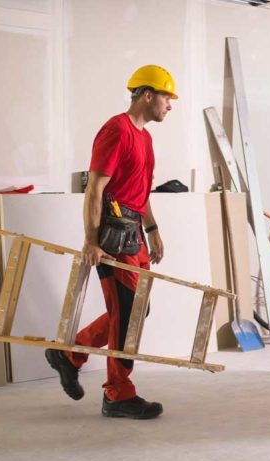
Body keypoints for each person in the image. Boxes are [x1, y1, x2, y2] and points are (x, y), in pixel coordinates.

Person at [44, 65, 176, 420]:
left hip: (136, 234)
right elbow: (95, 189)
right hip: (114, 235)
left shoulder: (145, 139)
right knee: (126, 314)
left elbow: (140, 193)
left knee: (136, 310)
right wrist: (90, 240)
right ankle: (118, 394)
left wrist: (153, 229)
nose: (170, 105)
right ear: (147, 95)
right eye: (166, 97)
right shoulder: (116, 130)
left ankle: (70, 355)